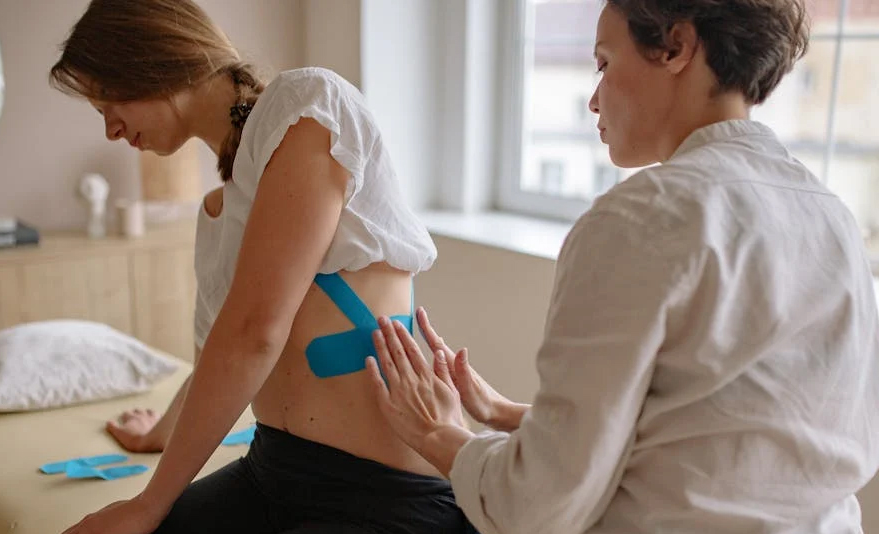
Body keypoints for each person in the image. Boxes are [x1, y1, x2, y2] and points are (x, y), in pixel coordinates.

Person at [365, 1, 879, 533]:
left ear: (676, 47)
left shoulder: (639, 220)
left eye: (604, 64)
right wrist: (516, 417)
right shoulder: (834, 221)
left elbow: (539, 507)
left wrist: (442, 434)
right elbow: (740, 436)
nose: (592, 99)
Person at [49, 1, 473, 533]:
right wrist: (158, 432)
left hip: (382, 494)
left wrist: (148, 503)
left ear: (151, 61)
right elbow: (219, 359)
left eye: (107, 100)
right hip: (272, 473)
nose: (110, 129)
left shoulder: (306, 106)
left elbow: (256, 331)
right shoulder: (218, 214)